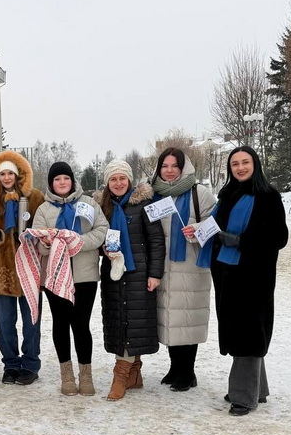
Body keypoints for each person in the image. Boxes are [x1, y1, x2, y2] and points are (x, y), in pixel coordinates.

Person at [199, 146, 288, 416]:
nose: (240, 167)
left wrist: (241, 241)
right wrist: (202, 230)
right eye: (235, 163)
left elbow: (279, 237)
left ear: (255, 164)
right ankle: (256, 389)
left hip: (253, 277)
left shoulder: (267, 196)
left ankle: (242, 396)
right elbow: (215, 226)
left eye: (245, 162)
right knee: (242, 330)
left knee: (249, 333)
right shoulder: (226, 195)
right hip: (227, 273)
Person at [32, 162, 108, 396]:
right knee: (61, 323)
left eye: (66, 178)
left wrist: (78, 242)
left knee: (81, 324)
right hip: (55, 277)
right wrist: (47, 243)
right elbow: (37, 240)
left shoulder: (88, 203)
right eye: (57, 179)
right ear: (51, 183)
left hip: (84, 275)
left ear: (72, 181)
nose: (62, 182)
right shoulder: (44, 210)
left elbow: (102, 228)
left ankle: (86, 373)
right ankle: (67, 374)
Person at [96, 160, 165, 401]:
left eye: (122, 178)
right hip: (113, 273)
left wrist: (155, 274)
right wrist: (102, 250)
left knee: (132, 321)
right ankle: (134, 374)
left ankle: (120, 375)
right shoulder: (102, 206)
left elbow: (156, 240)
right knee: (120, 320)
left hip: (138, 273)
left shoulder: (144, 205)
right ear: (107, 182)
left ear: (129, 180)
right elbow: (96, 238)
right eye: (113, 179)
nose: (118, 183)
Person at [151, 148, 217, 391]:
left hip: (191, 265)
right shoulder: (154, 194)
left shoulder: (200, 193)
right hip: (163, 265)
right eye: (164, 166)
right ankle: (175, 367)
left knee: (187, 319)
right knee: (169, 317)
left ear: (183, 167)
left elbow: (216, 224)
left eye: (174, 166)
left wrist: (197, 229)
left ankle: (187, 372)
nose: (169, 171)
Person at [0, 150, 45, 386]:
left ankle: (30, 364)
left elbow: (45, 227)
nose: (7, 178)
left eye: (10, 173)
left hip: (29, 268)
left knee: (32, 322)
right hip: (2, 272)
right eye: (2, 174)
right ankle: (10, 364)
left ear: (18, 175)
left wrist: (37, 236)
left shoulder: (35, 198)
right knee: (5, 324)